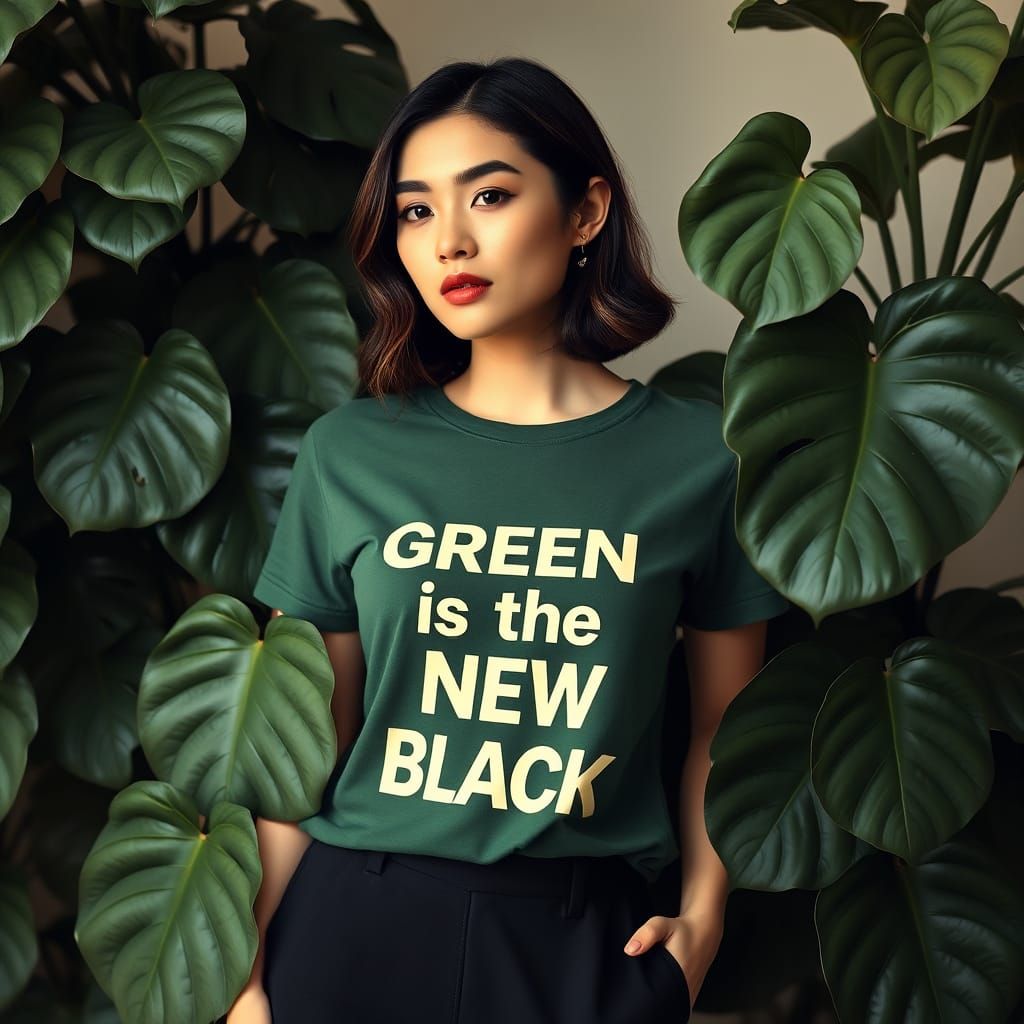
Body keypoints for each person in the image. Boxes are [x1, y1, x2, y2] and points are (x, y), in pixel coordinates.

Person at [227, 56, 789, 1024]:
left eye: (488, 194)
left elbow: (724, 728)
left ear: (585, 212)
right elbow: (307, 734)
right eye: (412, 210)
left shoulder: (701, 459)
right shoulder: (350, 453)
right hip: (353, 919)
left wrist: (702, 921)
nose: (449, 239)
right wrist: (242, 974)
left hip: (581, 939)